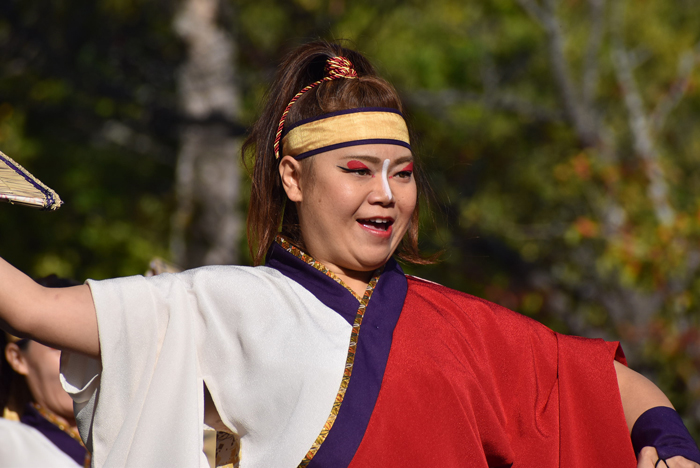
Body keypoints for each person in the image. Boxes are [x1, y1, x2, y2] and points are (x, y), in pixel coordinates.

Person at [0, 41, 699, 468]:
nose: (387, 194)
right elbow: (32, 305)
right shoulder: (225, 302)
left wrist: (669, 441)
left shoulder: (468, 329)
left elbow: (616, 389)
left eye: (403, 171)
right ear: (294, 179)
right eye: (359, 171)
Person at [0, 275, 89, 467]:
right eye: (59, 347)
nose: (80, 362)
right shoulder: (9, 443)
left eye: (87, 348)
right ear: (18, 359)